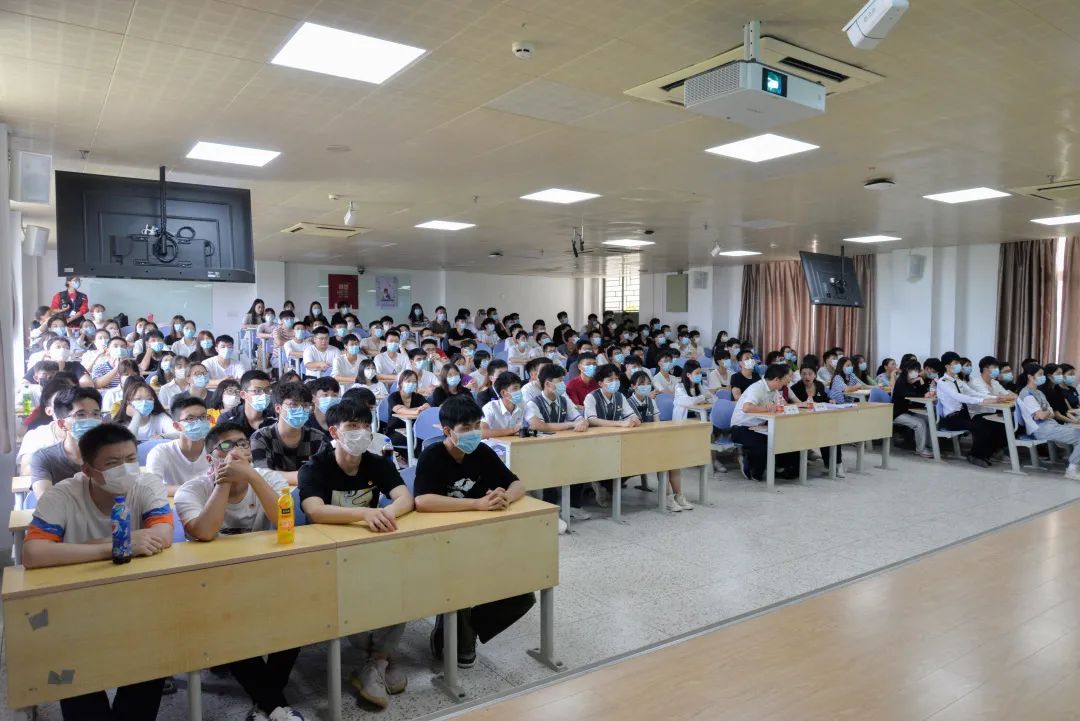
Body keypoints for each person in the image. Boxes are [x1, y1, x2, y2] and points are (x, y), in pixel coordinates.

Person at [23, 423, 172, 719]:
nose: (125, 469)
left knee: (151, 664)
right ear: (88, 469)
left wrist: (72, 549)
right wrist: (115, 545)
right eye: (113, 463)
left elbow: (162, 536)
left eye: (131, 459)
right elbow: (32, 553)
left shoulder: (148, 484)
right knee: (74, 672)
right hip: (76, 604)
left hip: (136, 599)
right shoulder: (62, 495)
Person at [298, 401, 413, 708]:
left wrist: (385, 514)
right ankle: (378, 659)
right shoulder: (315, 467)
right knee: (352, 594)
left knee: (403, 582)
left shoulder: (377, 463)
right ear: (334, 432)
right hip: (328, 553)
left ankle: (377, 661)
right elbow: (315, 510)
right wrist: (364, 514)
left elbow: (404, 498)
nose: (361, 432)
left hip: (370, 546)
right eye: (352, 427)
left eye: (365, 425)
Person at [413, 395, 536, 667]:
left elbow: (517, 484)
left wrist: (505, 497)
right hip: (442, 540)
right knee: (458, 587)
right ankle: (456, 633)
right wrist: (476, 503)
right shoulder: (433, 455)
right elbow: (422, 501)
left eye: (477, 426)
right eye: (466, 428)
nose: (474, 433)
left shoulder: (482, 452)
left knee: (522, 595)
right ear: (448, 431)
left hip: (482, 537)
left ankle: (464, 626)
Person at [930, 357, 1008, 467]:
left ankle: (985, 454)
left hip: (963, 415)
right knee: (979, 428)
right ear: (947, 366)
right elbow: (959, 397)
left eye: (958, 363)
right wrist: (982, 401)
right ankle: (974, 455)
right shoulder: (943, 382)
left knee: (992, 424)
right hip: (952, 418)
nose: (958, 365)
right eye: (955, 363)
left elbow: (972, 393)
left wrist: (994, 398)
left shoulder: (957, 380)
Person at [30, 387, 103, 500]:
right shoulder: (44, 458)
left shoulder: (112, 454)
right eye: (81, 415)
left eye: (96, 414)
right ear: (62, 424)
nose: (91, 420)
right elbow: (46, 503)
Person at [730, 364, 800, 481]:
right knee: (764, 447)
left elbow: (782, 405)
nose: (785, 383)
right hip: (741, 427)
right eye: (784, 380)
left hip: (759, 427)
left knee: (787, 439)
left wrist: (798, 405)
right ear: (776, 379)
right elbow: (746, 408)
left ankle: (783, 469)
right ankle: (750, 468)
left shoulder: (774, 390)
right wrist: (767, 408)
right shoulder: (757, 388)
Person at [250, 382, 327, 485]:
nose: (300, 409)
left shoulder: (318, 438)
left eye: (305, 405)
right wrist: (306, 475)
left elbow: (324, 474)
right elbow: (262, 475)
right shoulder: (261, 437)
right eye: (294, 404)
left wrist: (275, 476)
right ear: (278, 408)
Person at [1016, 363, 1080, 480]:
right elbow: (1042, 415)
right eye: (1040, 374)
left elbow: (1050, 412)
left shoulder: (1039, 393)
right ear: (1030, 377)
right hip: (1041, 429)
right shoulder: (1026, 394)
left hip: (1050, 424)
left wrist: (1045, 413)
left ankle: (1074, 466)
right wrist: (1045, 413)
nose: (1043, 377)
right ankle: (1072, 469)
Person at [147, 396, 213, 494]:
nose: (199, 422)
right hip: (174, 502)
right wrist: (193, 490)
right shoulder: (160, 452)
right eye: (190, 418)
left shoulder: (217, 450)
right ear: (177, 426)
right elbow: (153, 487)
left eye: (203, 417)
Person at [889, 359, 935, 459]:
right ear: (907, 369)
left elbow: (921, 391)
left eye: (917, 370)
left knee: (927, 419)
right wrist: (923, 394)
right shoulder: (901, 381)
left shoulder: (910, 381)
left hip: (906, 411)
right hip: (896, 413)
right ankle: (920, 449)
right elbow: (907, 394)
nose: (916, 372)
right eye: (914, 370)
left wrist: (920, 381)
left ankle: (930, 445)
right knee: (919, 423)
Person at [218, 370, 276, 437]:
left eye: (267, 390)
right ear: (243, 395)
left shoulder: (275, 416)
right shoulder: (227, 420)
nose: (264, 395)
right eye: (257, 391)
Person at [387, 369, 429, 456]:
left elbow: (427, 407)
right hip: (394, 431)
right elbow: (398, 410)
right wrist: (416, 410)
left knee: (423, 438)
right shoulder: (393, 396)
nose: (412, 384)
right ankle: (415, 460)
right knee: (417, 440)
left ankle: (415, 459)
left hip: (414, 430)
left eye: (414, 382)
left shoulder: (418, 397)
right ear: (401, 383)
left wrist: (409, 409)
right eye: (408, 381)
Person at [481, 371, 526, 437]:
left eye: (520, 388)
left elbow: (533, 425)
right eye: (515, 388)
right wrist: (512, 430)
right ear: (503, 393)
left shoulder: (523, 405)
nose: (519, 391)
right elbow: (482, 432)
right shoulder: (490, 407)